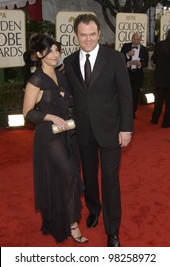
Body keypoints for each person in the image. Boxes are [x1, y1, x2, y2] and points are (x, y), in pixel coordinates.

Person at [64, 14, 133, 247]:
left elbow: (125, 95)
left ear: (99, 33)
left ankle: (112, 231)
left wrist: (126, 129)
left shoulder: (114, 58)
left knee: (110, 180)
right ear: (75, 36)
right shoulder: (70, 61)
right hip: (83, 131)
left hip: (111, 130)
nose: (88, 39)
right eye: (83, 35)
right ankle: (94, 209)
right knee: (89, 177)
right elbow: (68, 94)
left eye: (92, 34)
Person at [23, 33, 88, 244]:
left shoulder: (62, 76)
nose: (55, 54)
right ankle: (71, 224)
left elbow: (70, 103)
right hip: (48, 137)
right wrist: (50, 116)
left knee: (67, 179)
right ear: (39, 54)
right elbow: (27, 113)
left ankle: (68, 220)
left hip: (69, 134)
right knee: (69, 174)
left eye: (57, 50)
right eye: (50, 51)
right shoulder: (36, 80)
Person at [121, 33, 149, 119]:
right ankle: (124, 111)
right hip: (127, 74)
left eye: (137, 39)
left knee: (135, 94)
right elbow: (120, 58)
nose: (136, 41)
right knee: (125, 94)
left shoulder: (144, 49)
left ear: (140, 40)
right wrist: (127, 55)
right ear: (131, 38)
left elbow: (146, 62)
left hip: (138, 75)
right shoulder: (126, 46)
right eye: (134, 39)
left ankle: (132, 112)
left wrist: (140, 64)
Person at [150, 29, 170, 128]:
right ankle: (166, 122)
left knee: (158, 100)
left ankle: (154, 120)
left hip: (160, 77)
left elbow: (154, 60)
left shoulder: (159, 45)